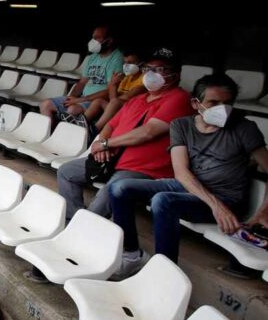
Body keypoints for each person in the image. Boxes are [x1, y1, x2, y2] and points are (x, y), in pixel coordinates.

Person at [107, 74, 268, 276]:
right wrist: (216, 207)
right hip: (191, 190)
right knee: (120, 188)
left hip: (226, 199)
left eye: (228, 103)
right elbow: (181, 173)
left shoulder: (244, 128)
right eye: (214, 102)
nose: (222, 109)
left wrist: (262, 211)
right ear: (195, 103)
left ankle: (165, 273)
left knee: (163, 201)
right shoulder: (181, 125)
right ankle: (131, 255)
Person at [56, 48, 193, 220]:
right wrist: (103, 144)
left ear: (176, 74)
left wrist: (107, 144)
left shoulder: (179, 98)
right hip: (112, 159)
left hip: (142, 169)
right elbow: (111, 125)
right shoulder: (138, 99)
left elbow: (148, 132)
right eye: (149, 69)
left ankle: (82, 229)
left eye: (160, 69)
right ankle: (73, 219)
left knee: (108, 194)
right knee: (66, 172)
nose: (152, 74)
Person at [39, 26, 124, 124]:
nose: (93, 41)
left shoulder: (117, 59)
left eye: (97, 38)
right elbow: (83, 82)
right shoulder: (92, 57)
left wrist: (80, 100)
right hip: (82, 98)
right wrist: (70, 97)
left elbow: (110, 90)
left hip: (96, 101)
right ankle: (48, 135)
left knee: (72, 110)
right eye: (93, 37)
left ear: (109, 41)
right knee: (45, 105)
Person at [84, 52, 145, 132]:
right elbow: (113, 98)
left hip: (129, 112)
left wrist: (114, 85)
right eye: (125, 62)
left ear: (140, 64)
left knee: (115, 102)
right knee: (98, 101)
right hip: (118, 109)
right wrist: (113, 84)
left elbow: (116, 100)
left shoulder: (143, 79)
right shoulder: (127, 77)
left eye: (130, 63)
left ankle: (95, 129)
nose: (126, 65)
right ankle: (83, 122)